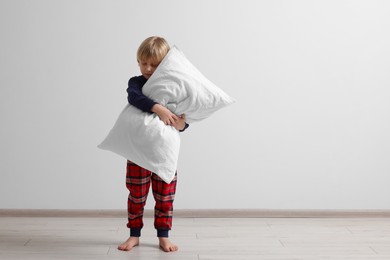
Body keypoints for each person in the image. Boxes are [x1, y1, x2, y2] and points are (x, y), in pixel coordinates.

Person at [117, 36, 188, 253]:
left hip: (163, 153)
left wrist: (181, 124)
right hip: (139, 151)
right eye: (143, 62)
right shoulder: (136, 83)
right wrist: (158, 109)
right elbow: (134, 97)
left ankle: (163, 235)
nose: (148, 68)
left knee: (164, 196)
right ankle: (134, 234)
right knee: (136, 195)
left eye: (154, 64)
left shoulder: (173, 88)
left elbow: (183, 122)